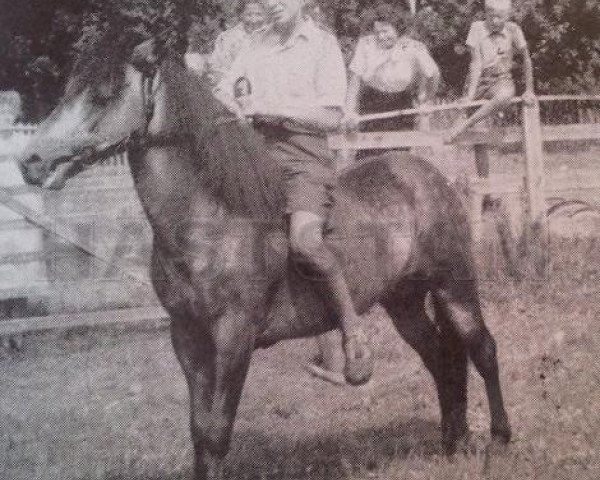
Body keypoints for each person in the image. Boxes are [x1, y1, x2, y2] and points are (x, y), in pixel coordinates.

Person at [215, 0, 374, 386]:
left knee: (304, 242)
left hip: (304, 158)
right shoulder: (254, 46)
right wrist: (230, 104)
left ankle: (351, 328)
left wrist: (271, 106)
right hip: (254, 157)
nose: (270, 6)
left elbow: (331, 116)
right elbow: (223, 89)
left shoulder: (321, 45)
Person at [445, 0, 535, 192]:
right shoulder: (477, 28)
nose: (494, 20)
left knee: (505, 95)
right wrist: (470, 95)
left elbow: (526, 60)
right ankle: (484, 188)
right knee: (479, 138)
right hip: (479, 81)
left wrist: (529, 90)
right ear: (485, 13)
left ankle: (464, 125)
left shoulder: (514, 30)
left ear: (508, 16)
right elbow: (476, 64)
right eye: (490, 15)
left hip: (501, 79)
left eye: (499, 17)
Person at [342, 3, 440, 143]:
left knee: (399, 155)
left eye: (385, 31)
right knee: (369, 155)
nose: (381, 37)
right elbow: (355, 80)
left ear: (397, 28)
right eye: (377, 33)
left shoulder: (413, 47)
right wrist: (349, 112)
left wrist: (427, 100)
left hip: (402, 103)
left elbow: (433, 74)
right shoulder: (366, 44)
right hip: (372, 102)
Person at [209, 1, 267, 85]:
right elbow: (217, 69)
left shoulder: (272, 36)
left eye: (259, 14)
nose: (254, 20)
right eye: (249, 15)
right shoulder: (226, 38)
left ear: (266, 15)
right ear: (241, 15)